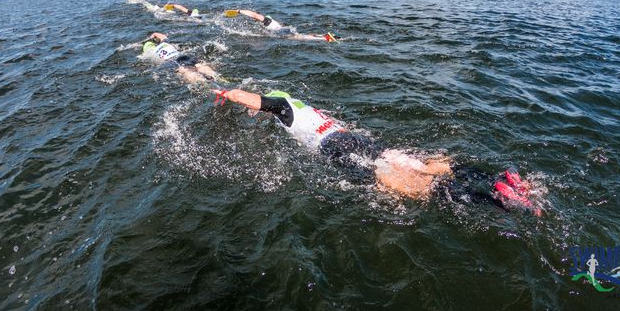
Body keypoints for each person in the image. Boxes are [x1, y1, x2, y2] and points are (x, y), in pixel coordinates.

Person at [211, 88, 542, 215]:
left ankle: (499, 203)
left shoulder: (284, 109)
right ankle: (498, 178)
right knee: (426, 166)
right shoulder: (308, 108)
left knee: (414, 188)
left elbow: (264, 102)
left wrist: (228, 92)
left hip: (335, 148)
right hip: (351, 136)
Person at [142, 32, 219, 84]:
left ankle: (203, 83)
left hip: (171, 61)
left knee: (185, 70)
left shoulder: (152, 52)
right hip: (181, 56)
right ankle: (216, 76)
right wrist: (154, 34)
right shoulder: (165, 43)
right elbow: (162, 36)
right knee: (198, 65)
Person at [226, 9, 338, 42]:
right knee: (300, 37)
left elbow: (253, 14)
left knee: (300, 37)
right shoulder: (273, 22)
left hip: (281, 32)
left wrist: (238, 11)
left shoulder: (267, 21)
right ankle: (324, 37)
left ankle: (324, 38)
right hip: (284, 30)